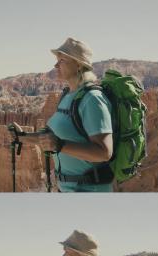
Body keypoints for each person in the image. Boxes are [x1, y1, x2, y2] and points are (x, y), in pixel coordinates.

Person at [15, 37, 114, 192]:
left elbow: (104, 152)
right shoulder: (67, 95)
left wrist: (60, 145)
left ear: (79, 65)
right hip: (66, 189)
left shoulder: (92, 99)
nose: (55, 65)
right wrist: (21, 137)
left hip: (89, 190)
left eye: (61, 60)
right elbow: (50, 139)